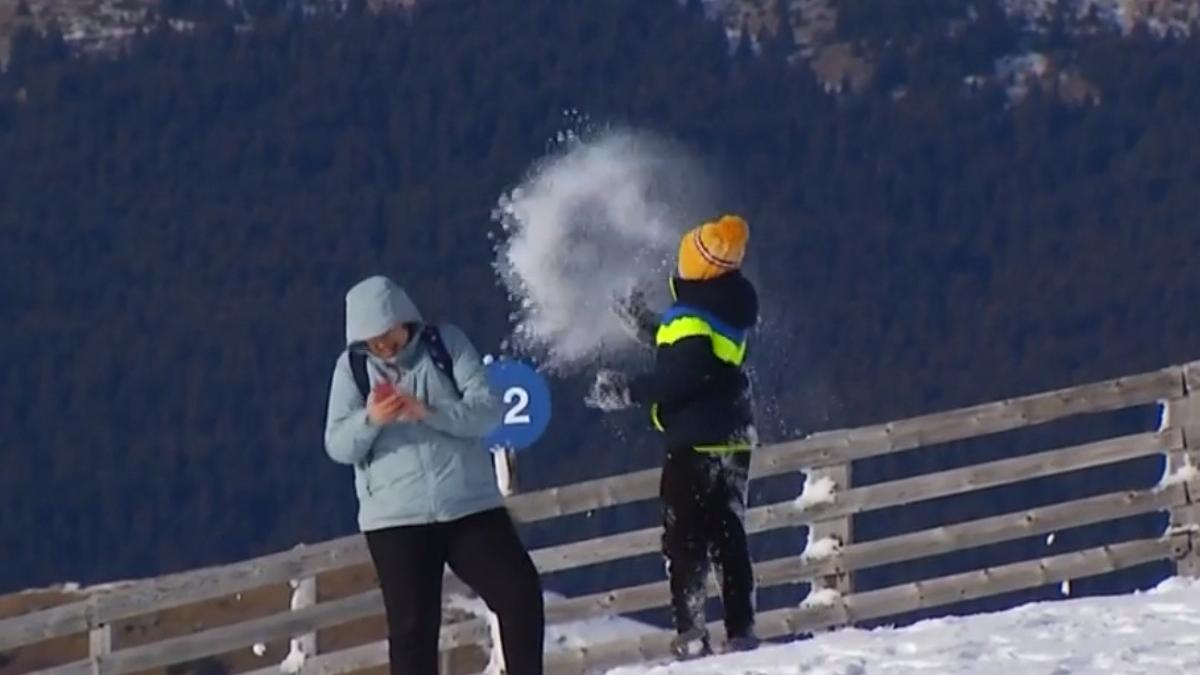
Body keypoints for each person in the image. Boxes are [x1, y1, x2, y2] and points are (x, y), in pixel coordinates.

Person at [324, 275, 545, 675]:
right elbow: (338, 445)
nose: (384, 348)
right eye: (373, 342)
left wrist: (429, 414)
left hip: (470, 504)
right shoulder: (352, 370)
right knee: (412, 632)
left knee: (519, 593)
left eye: (388, 336)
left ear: (405, 319)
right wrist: (371, 420)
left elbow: (488, 411)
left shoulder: (446, 344)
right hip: (396, 519)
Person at [586, 214, 760, 659]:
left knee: (685, 542)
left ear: (693, 268)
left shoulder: (690, 315)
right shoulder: (728, 305)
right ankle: (741, 630)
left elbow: (684, 373)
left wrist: (628, 390)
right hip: (732, 439)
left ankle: (692, 635)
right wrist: (647, 325)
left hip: (693, 444)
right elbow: (693, 347)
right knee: (728, 537)